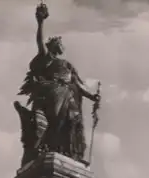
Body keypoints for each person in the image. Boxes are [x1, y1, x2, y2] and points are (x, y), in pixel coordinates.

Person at [16, 2, 100, 163]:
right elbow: (40, 43)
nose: (62, 45)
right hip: (53, 91)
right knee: (54, 121)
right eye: (59, 42)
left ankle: (69, 153)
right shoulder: (48, 57)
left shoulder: (67, 64)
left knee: (72, 121)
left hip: (70, 95)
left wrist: (92, 96)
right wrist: (40, 22)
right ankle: (48, 146)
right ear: (53, 45)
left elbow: (78, 85)